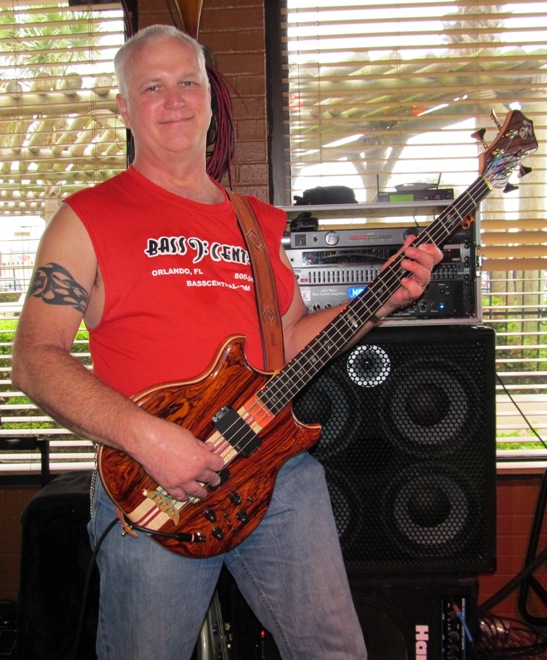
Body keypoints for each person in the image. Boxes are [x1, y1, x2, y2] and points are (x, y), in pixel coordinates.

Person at [12, 24, 443, 660]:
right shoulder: (86, 217)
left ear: (211, 99)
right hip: (155, 485)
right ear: (124, 108)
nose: (175, 100)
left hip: (277, 473)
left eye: (189, 82)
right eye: (152, 87)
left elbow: (288, 343)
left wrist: (382, 300)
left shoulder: (257, 221)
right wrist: (150, 439)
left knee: (335, 652)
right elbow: (34, 360)